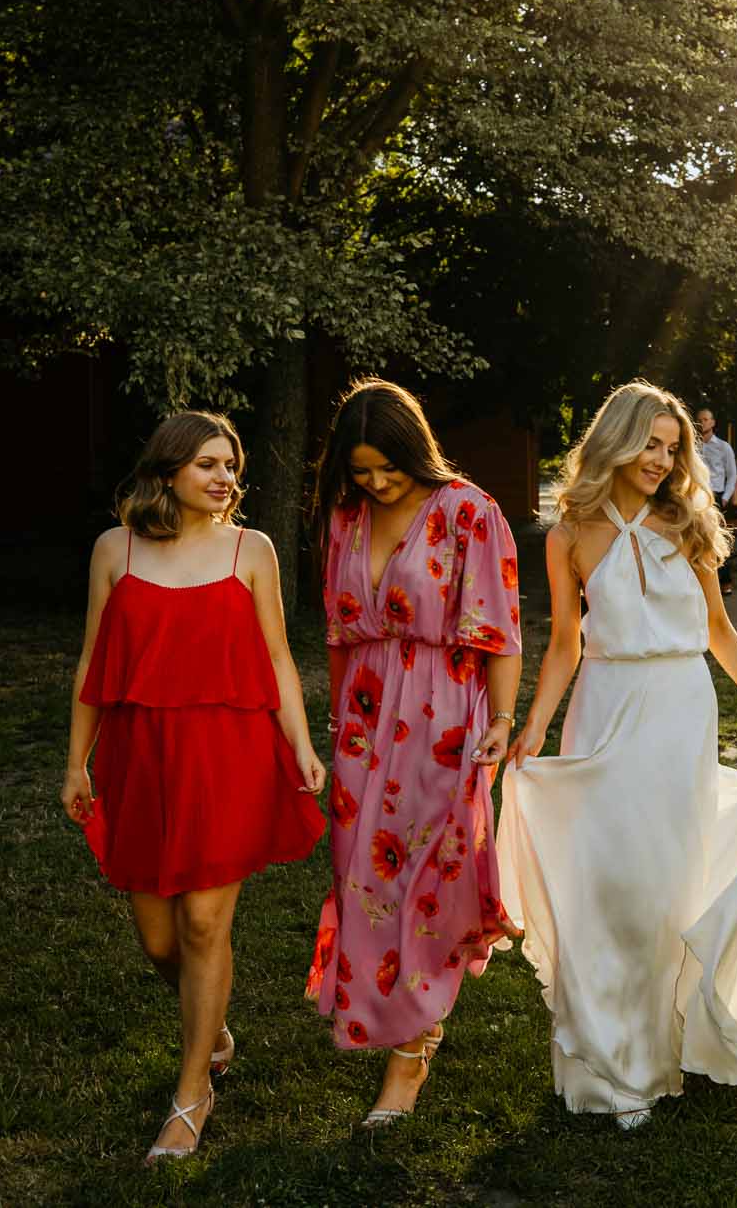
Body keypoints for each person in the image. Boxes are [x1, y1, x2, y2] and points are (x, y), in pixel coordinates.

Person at [498, 380, 737, 1130]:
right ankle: (612, 1063)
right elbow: (566, 644)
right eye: (650, 443)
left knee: (666, 884)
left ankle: (662, 1046)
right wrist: (535, 725)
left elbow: (717, 627)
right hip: (605, 709)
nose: (661, 460)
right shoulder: (567, 534)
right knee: (607, 883)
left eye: (672, 449)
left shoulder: (687, 522)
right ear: (616, 439)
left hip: (679, 710)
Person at [61, 411, 326, 1163]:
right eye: (208, 463)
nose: (224, 477)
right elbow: (92, 661)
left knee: (206, 923)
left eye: (230, 465)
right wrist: (77, 761)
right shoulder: (115, 549)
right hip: (141, 754)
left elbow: (278, 657)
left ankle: (192, 1092)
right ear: (168, 469)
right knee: (159, 938)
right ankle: (211, 1025)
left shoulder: (252, 549)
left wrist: (301, 746)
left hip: (227, 751)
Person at [301, 379, 523, 1128]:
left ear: (414, 449)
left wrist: (502, 720)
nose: (375, 482)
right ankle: (382, 1013)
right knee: (363, 875)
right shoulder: (346, 516)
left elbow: (498, 630)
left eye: (387, 467)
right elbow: (339, 632)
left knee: (430, 877)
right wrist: (339, 720)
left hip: (442, 715)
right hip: (364, 722)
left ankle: (412, 1049)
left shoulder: (468, 511)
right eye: (360, 469)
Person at [697, 407, 737, 594]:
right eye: (700, 420)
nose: (702, 423)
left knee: (717, 539)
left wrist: (725, 497)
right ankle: (701, 581)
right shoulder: (692, 445)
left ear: (713, 422)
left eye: (706, 419)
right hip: (697, 494)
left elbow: (732, 474)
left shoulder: (723, 447)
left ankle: (725, 581)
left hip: (716, 496)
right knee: (697, 538)